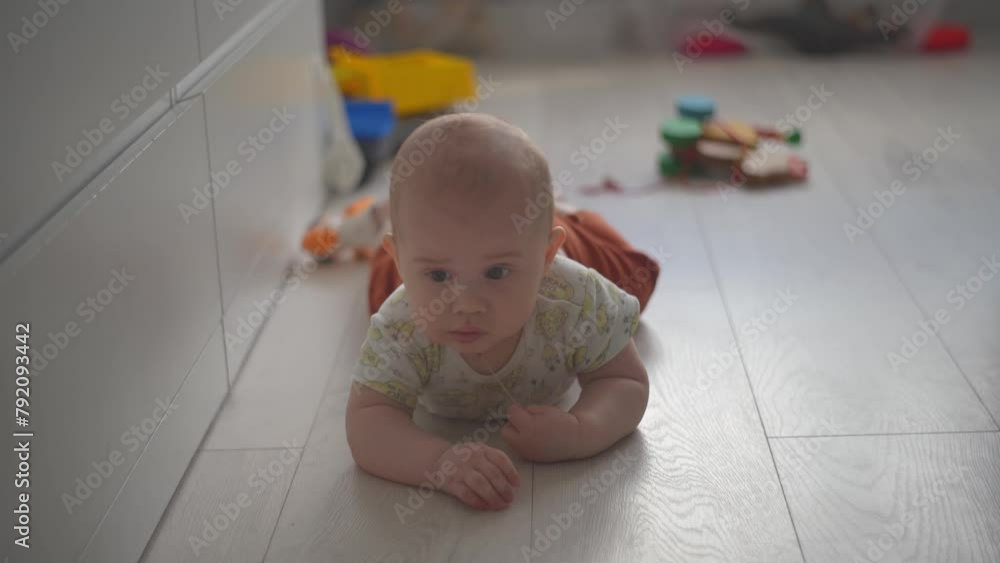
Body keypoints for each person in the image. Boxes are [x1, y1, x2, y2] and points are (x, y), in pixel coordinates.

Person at [345, 113, 660, 511]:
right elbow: (367, 422)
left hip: (563, 244)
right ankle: (378, 219)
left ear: (546, 257)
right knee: (379, 283)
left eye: (496, 272)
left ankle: (562, 210)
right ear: (405, 263)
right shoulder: (403, 322)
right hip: (451, 251)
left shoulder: (575, 299)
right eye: (439, 275)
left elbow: (624, 380)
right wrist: (438, 463)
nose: (467, 304)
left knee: (633, 275)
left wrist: (583, 429)